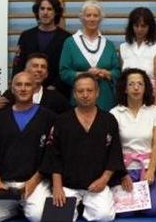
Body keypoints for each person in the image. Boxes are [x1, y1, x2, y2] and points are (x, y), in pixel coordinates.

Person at [41, 74, 123, 222]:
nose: (85, 95)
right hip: (68, 184)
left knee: (104, 217)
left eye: (89, 90)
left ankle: (83, 206)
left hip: (96, 184)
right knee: (57, 219)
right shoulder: (62, 120)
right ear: (74, 93)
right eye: (80, 91)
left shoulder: (108, 120)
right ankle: (78, 205)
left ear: (97, 93)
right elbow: (54, 156)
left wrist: (104, 180)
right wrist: (57, 186)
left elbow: (114, 153)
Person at [0, 71, 55, 222]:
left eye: (28, 84)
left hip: (35, 181)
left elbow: (50, 155)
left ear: (34, 88)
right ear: (12, 89)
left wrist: (33, 182)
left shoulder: (48, 117)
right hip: (6, 182)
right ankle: (15, 207)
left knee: (39, 216)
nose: (23, 88)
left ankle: (23, 205)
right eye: (18, 85)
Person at [109, 69, 156, 216]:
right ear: (125, 88)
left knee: (155, 211)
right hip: (123, 169)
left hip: (147, 167)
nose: (136, 87)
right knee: (125, 213)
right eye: (131, 84)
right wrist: (121, 173)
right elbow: (112, 148)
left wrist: (151, 170)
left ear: (146, 87)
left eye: (140, 84)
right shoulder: (114, 113)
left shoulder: (155, 111)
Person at [0, 53, 68, 135]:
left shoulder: (57, 98)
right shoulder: (11, 94)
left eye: (43, 67)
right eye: (35, 66)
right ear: (25, 70)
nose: (39, 70)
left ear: (47, 74)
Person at [58, 0, 120, 111]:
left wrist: (105, 73)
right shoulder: (70, 43)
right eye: (88, 15)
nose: (92, 19)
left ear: (100, 18)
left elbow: (117, 71)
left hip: (105, 100)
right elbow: (64, 72)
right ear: (82, 18)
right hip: (80, 98)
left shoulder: (108, 44)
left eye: (95, 15)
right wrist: (85, 74)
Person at [11, 0, 72, 94]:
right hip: (27, 92)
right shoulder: (26, 36)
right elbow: (18, 66)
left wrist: (54, 87)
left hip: (57, 93)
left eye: (49, 9)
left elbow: (67, 68)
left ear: (56, 12)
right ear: (37, 11)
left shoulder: (66, 38)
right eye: (42, 8)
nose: (45, 12)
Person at [119, 8, 156, 104]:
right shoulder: (123, 47)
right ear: (131, 26)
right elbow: (122, 78)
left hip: (149, 99)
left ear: (150, 27)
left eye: (143, 26)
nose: (139, 29)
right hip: (128, 100)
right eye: (136, 26)